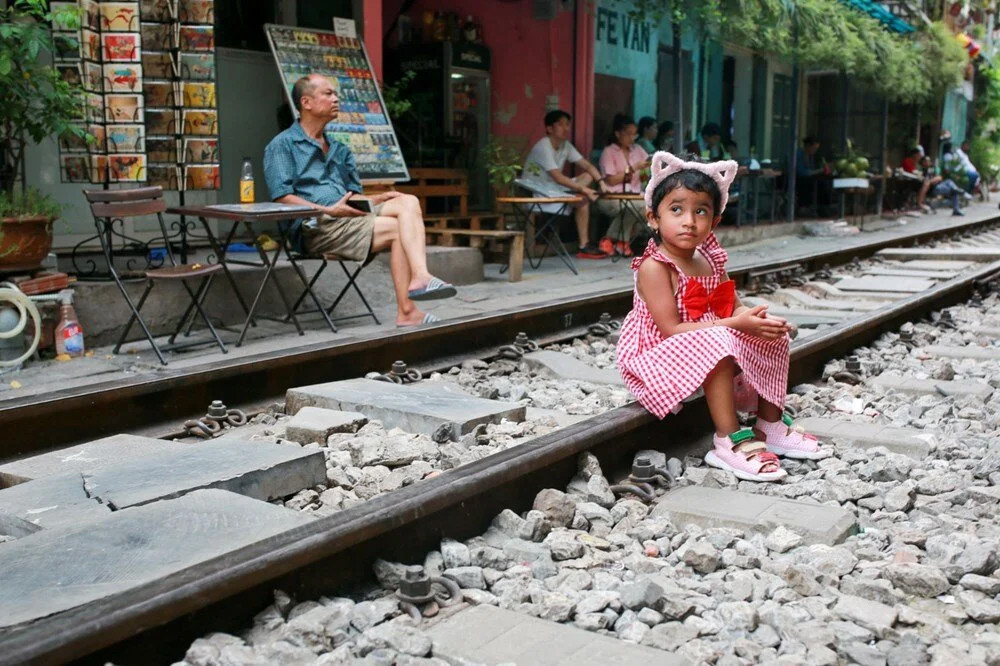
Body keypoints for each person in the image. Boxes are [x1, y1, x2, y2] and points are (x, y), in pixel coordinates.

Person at [616, 151, 829, 482]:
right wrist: (735, 324)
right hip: (658, 357)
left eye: (700, 211)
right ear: (653, 218)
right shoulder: (654, 267)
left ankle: (769, 425)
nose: (689, 220)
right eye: (677, 209)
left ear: (714, 221)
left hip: (706, 342)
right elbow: (671, 329)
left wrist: (755, 319)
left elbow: (733, 306)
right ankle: (727, 440)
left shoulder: (710, 259)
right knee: (719, 340)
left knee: (770, 334)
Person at [264, 74, 455, 328]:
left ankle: (420, 278)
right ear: (306, 102)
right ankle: (408, 309)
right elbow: (282, 197)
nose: (336, 98)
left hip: (349, 215)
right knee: (399, 230)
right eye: (328, 93)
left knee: (406, 200)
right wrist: (328, 210)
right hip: (315, 226)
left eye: (335, 94)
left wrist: (376, 199)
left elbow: (352, 197)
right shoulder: (282, 145)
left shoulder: (339, 149)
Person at [521, 109, 610, 258]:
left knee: (588, 178)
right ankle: (584, 243)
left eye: (567, 124)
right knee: (583, 199)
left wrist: (601, 183)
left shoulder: (565, 145)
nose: (566, 128)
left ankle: (584, 245)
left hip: (556, 189)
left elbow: (587, 166)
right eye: (560, 125)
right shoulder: (543, 146)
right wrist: (586, 190)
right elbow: (558, 177)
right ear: (549, 129)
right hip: (540, 193)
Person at [596, 114, 651, 256]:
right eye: (629, 134)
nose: (632, 138)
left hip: (633, 196)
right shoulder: (609, 152)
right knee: (635, 207)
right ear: (618, 134)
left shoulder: (637, 149)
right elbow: (611, 180)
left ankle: (614, 241)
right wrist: (633, 168)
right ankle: (617, 241)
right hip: (610, 197)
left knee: (644, 209)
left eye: (635, 134)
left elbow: (649, 163)